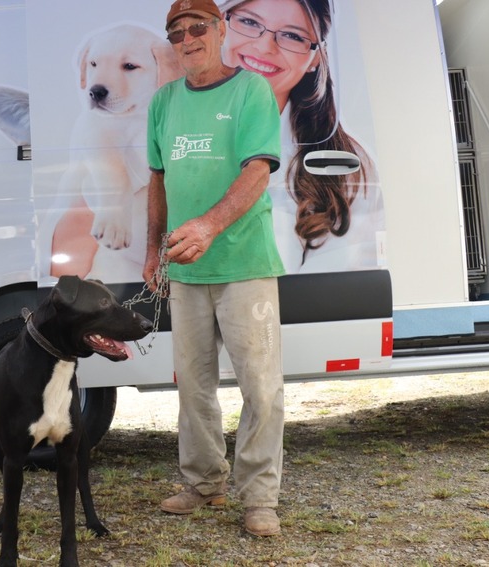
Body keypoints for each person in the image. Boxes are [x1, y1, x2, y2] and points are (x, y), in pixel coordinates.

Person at [145, 0, 284, 536]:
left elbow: (257, 172)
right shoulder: (163, 102)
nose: (187, 38)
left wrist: (207, 226)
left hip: (245, 263)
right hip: (184, 270)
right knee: (194, 386)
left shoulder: (251, 90)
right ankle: (203, 482)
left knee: (261, 387)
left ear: (221, 30)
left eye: (197, 27)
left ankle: (259, 498)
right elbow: (157, 179)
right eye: (176, 32)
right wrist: (154, 248)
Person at [218, 0, 382, 273]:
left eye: (293, 36)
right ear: (221, 25)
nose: (263, 47)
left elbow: (332, 287)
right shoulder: (163, 125)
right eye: (249, 22)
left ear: (315, 58)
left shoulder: (346, 163)